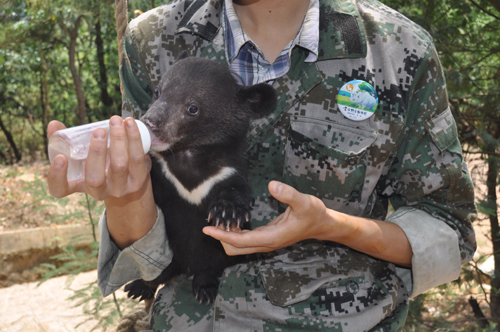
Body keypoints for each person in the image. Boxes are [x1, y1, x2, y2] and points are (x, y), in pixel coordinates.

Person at [47, 0, 477, 330]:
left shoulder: (397, 50)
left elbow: (448, 232)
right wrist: (126, 194)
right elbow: (149, 255)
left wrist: (332, 226)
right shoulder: (155, 40)